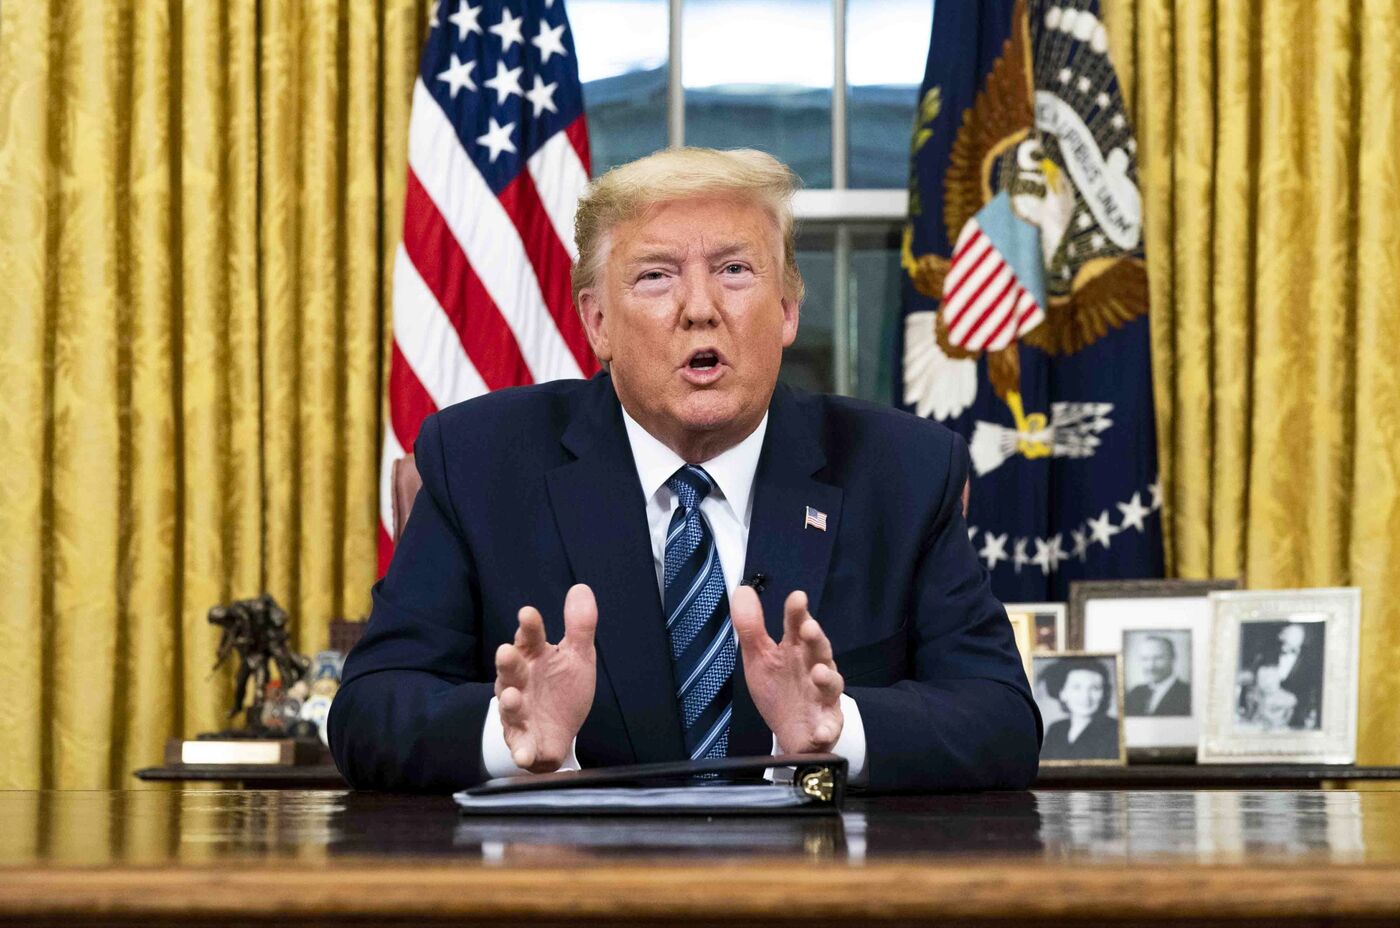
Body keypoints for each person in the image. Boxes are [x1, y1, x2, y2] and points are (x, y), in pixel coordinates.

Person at [327, 147, 1042, 793]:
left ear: (788, 309)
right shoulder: (480, 461)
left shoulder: (903, 471)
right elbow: (369, 708)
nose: (700, 309)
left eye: (734, 270)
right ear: (598, 322)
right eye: (655, 277)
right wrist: (509, 734)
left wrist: (837, 732)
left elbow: (1001, 718)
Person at [1038, 658, 1119, 761]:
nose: (1085, 697)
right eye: (1076, 687)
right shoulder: (1056, 730)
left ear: (1104, 693)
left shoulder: (1114, 730)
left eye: (1095, 688)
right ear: (1062, 693)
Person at [1124, 635, 1190, 717]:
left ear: (1173, 658)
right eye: (1145, 659)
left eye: (1158, 658)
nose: (1151, 666)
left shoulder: (1187, 694)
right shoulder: (1135, 693)